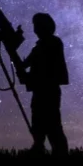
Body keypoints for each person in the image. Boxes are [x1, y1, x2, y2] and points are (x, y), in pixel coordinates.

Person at [21, 12, 69, 155]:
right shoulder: (40, 46)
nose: (35, 29)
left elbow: (44, 67)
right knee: (37, 122)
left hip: (48, 90)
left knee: (53, 125)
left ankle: (60, 153)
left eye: (37, 25)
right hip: (40, 90)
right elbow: (26, 64)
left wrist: (28, 75)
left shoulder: (52, 43)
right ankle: (38, 147)